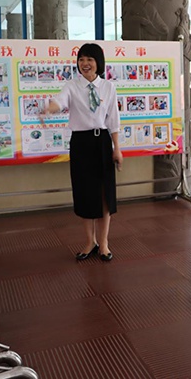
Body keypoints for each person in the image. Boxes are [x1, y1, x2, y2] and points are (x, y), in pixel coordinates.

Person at [41, 43, 122, 262]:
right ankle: (90, 242)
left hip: (103, 142)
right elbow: (59, 101)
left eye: (90, 59)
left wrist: (117, 149)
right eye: (81, 59)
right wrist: (50, 108)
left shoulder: (108, 87)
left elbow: (113, 120)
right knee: (85, 194)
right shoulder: (72, 86)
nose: (85, 64)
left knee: (105, 195)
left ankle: (103, 243)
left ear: (98, 63)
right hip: (81, 144)